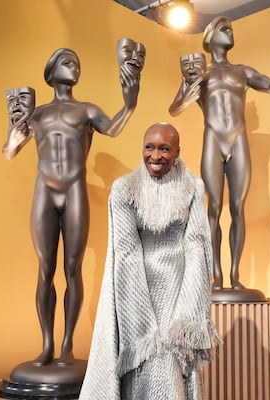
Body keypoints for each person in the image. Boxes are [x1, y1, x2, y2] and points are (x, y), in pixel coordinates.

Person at [2, 43, 144, 366]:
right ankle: (47, 344)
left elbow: (113, 127)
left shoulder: (87, 111)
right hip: (45, 191)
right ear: (50, 73)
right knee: (45, 269)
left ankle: (67, 345)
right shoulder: (36, 114)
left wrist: (130, 103)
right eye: (67, 62)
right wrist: (12, 134)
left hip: (75, 189)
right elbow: (10, 151)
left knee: (73, 268)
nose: (74, 66)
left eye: (77, 63)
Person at [169, 13, 270, 292]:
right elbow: (175, 109)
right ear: (208, 38)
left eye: (231, 28)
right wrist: (189, 84)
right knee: (212, 208)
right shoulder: (202, 72)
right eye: (223, 28)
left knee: (237, 208)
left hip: (238, 140)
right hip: (213, 139)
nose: (230, 32)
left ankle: (234, 276)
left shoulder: (242, 72)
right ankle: (216, 277)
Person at [79, 123, 219, 400]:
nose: (156, 155)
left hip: (179, 287)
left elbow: (197, 243)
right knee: (147, 360)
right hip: (137, 288)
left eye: (165, 149)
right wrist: (140, 319)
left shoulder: (192, 186)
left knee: (172, 358)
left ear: (177, 152)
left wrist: (188, 310)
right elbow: (126, 250)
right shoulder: (124, 189)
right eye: (149, 147)